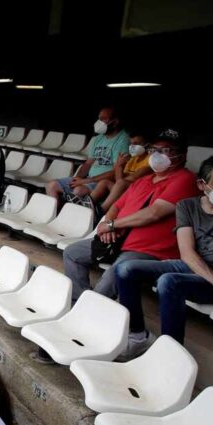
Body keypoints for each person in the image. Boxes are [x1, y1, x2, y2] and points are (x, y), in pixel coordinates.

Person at [113, 155, 213, 357]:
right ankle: (137, 336)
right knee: (126, 269)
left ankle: (171, 354)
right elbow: (187, 254)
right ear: (201, 184)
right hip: (197, 271)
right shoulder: (187, 206)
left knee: (169, 282)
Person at [62, 129, 199, 301]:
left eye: (166, 150)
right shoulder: (144, 180)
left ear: (182, 155)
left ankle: (88, 310)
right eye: (155, 150)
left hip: (148, 250)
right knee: (72, 253)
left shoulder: (185, 179)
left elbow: (154, 213)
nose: (158, 155)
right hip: (118, 240)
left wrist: (113, 225)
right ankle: (79, 300)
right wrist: (109, 225)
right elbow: (117, 206)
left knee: (114, 275)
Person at [45, 107, 130, 205]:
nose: (99, 122)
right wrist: (76, 178)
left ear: (115, 122)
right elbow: (89, 163)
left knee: (78, 191)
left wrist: (86, 181)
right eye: (99, 118)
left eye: (103, 119)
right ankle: (54, 216)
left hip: (102, 182)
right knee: (51, 186)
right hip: (88, 179)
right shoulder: (98, 138)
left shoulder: (123, 140)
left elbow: (116, 171)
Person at [90, 133, 151, 213]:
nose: (132, 146)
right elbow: (119, 179)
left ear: (146, 145)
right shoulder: (133, 158)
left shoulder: (149, 160)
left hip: (135, 193)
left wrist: (120, 166)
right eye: (131, 143)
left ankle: (101, 210)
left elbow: (122, 181)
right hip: (124, 190)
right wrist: (119, 165)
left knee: (121, 183)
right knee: (104, 182)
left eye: (136, 144)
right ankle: (89, 203)